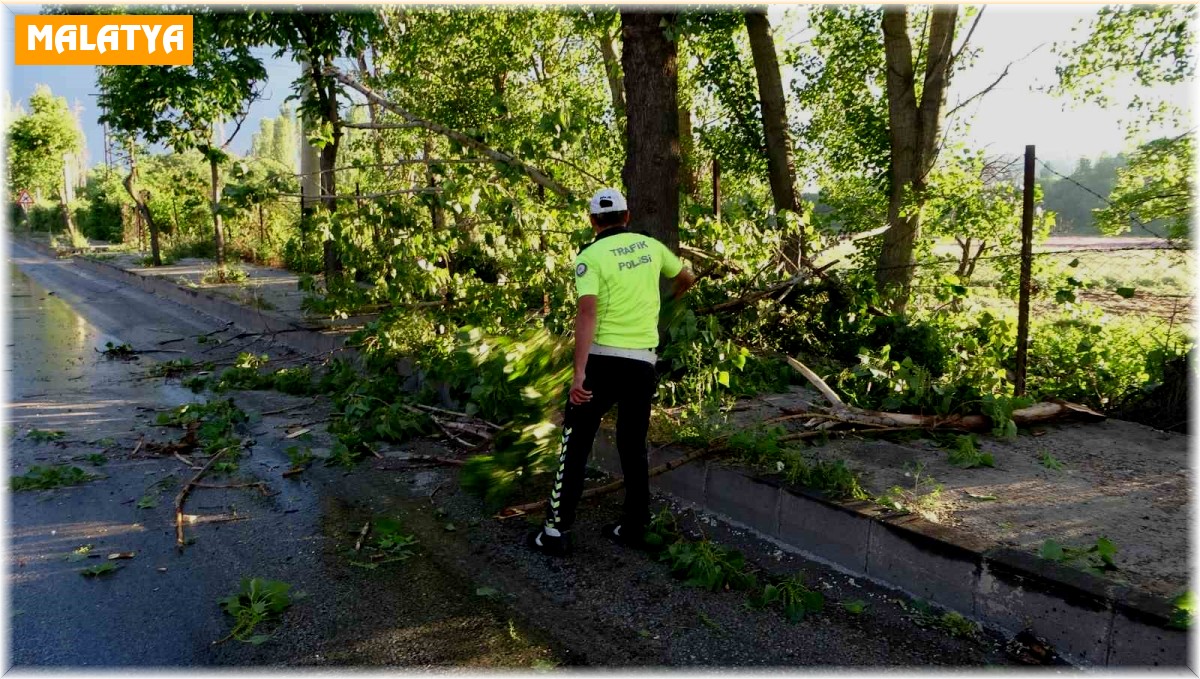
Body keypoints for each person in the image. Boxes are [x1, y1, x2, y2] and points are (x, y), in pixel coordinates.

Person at [528, 188, 695, 557]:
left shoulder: (590, 256)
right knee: (632, 446)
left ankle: (556, 532)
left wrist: (578, 374)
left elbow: (587, 312)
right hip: (642, 362)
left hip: (602, 362)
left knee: (576, 443)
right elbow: (685, 277)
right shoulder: (650, 247)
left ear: (592, 222)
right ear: (627, 215)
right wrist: (665, 310)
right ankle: (635, 525)